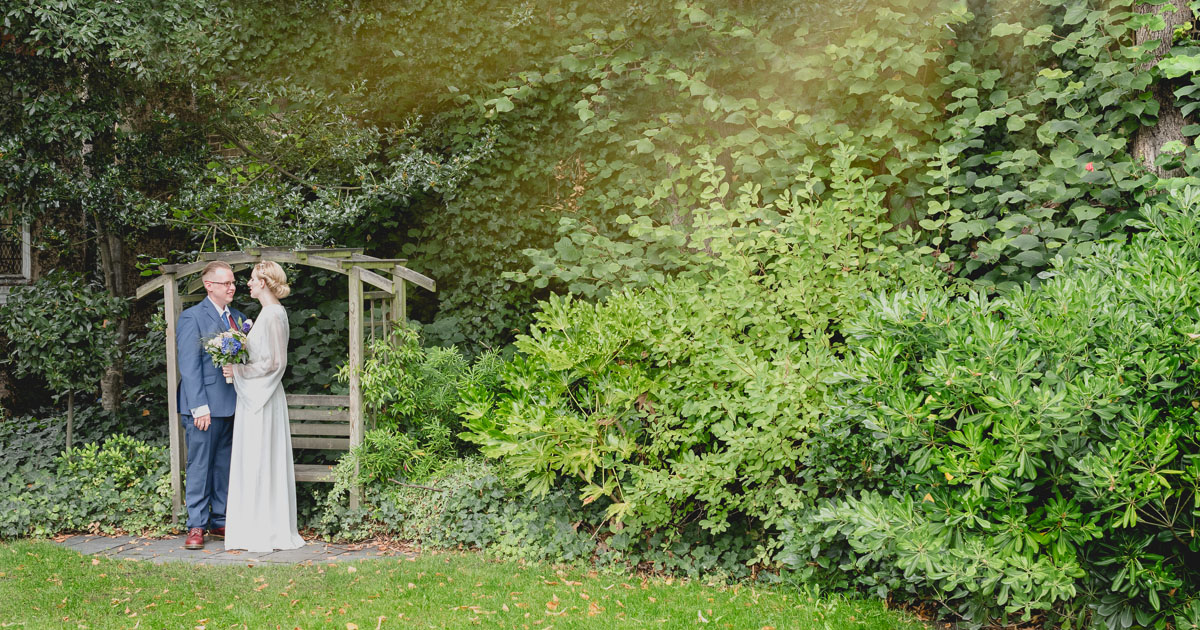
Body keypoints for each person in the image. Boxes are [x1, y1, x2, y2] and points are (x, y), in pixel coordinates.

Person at [221, 261, 305, 552]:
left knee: (261, 458)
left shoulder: (272, 315)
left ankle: (266, 531)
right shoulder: (268, 313)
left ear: (266, 283)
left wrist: (238, 372)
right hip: (257, 395)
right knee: (254, 459)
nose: (249, 284)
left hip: (262, 398)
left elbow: (275, 363)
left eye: (254, 279)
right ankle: (254, 528)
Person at [176, 261, 246, 550]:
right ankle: (196, 525)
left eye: (232, 283)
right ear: (209, 286)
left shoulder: (239, 319)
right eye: (226, 283)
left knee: (224, 466)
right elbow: (189, 367)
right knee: (199, 466)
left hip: (233, 404)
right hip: (203, 409)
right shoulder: (193, 317)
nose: (232, 287)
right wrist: (199, 406)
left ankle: (219, 520)